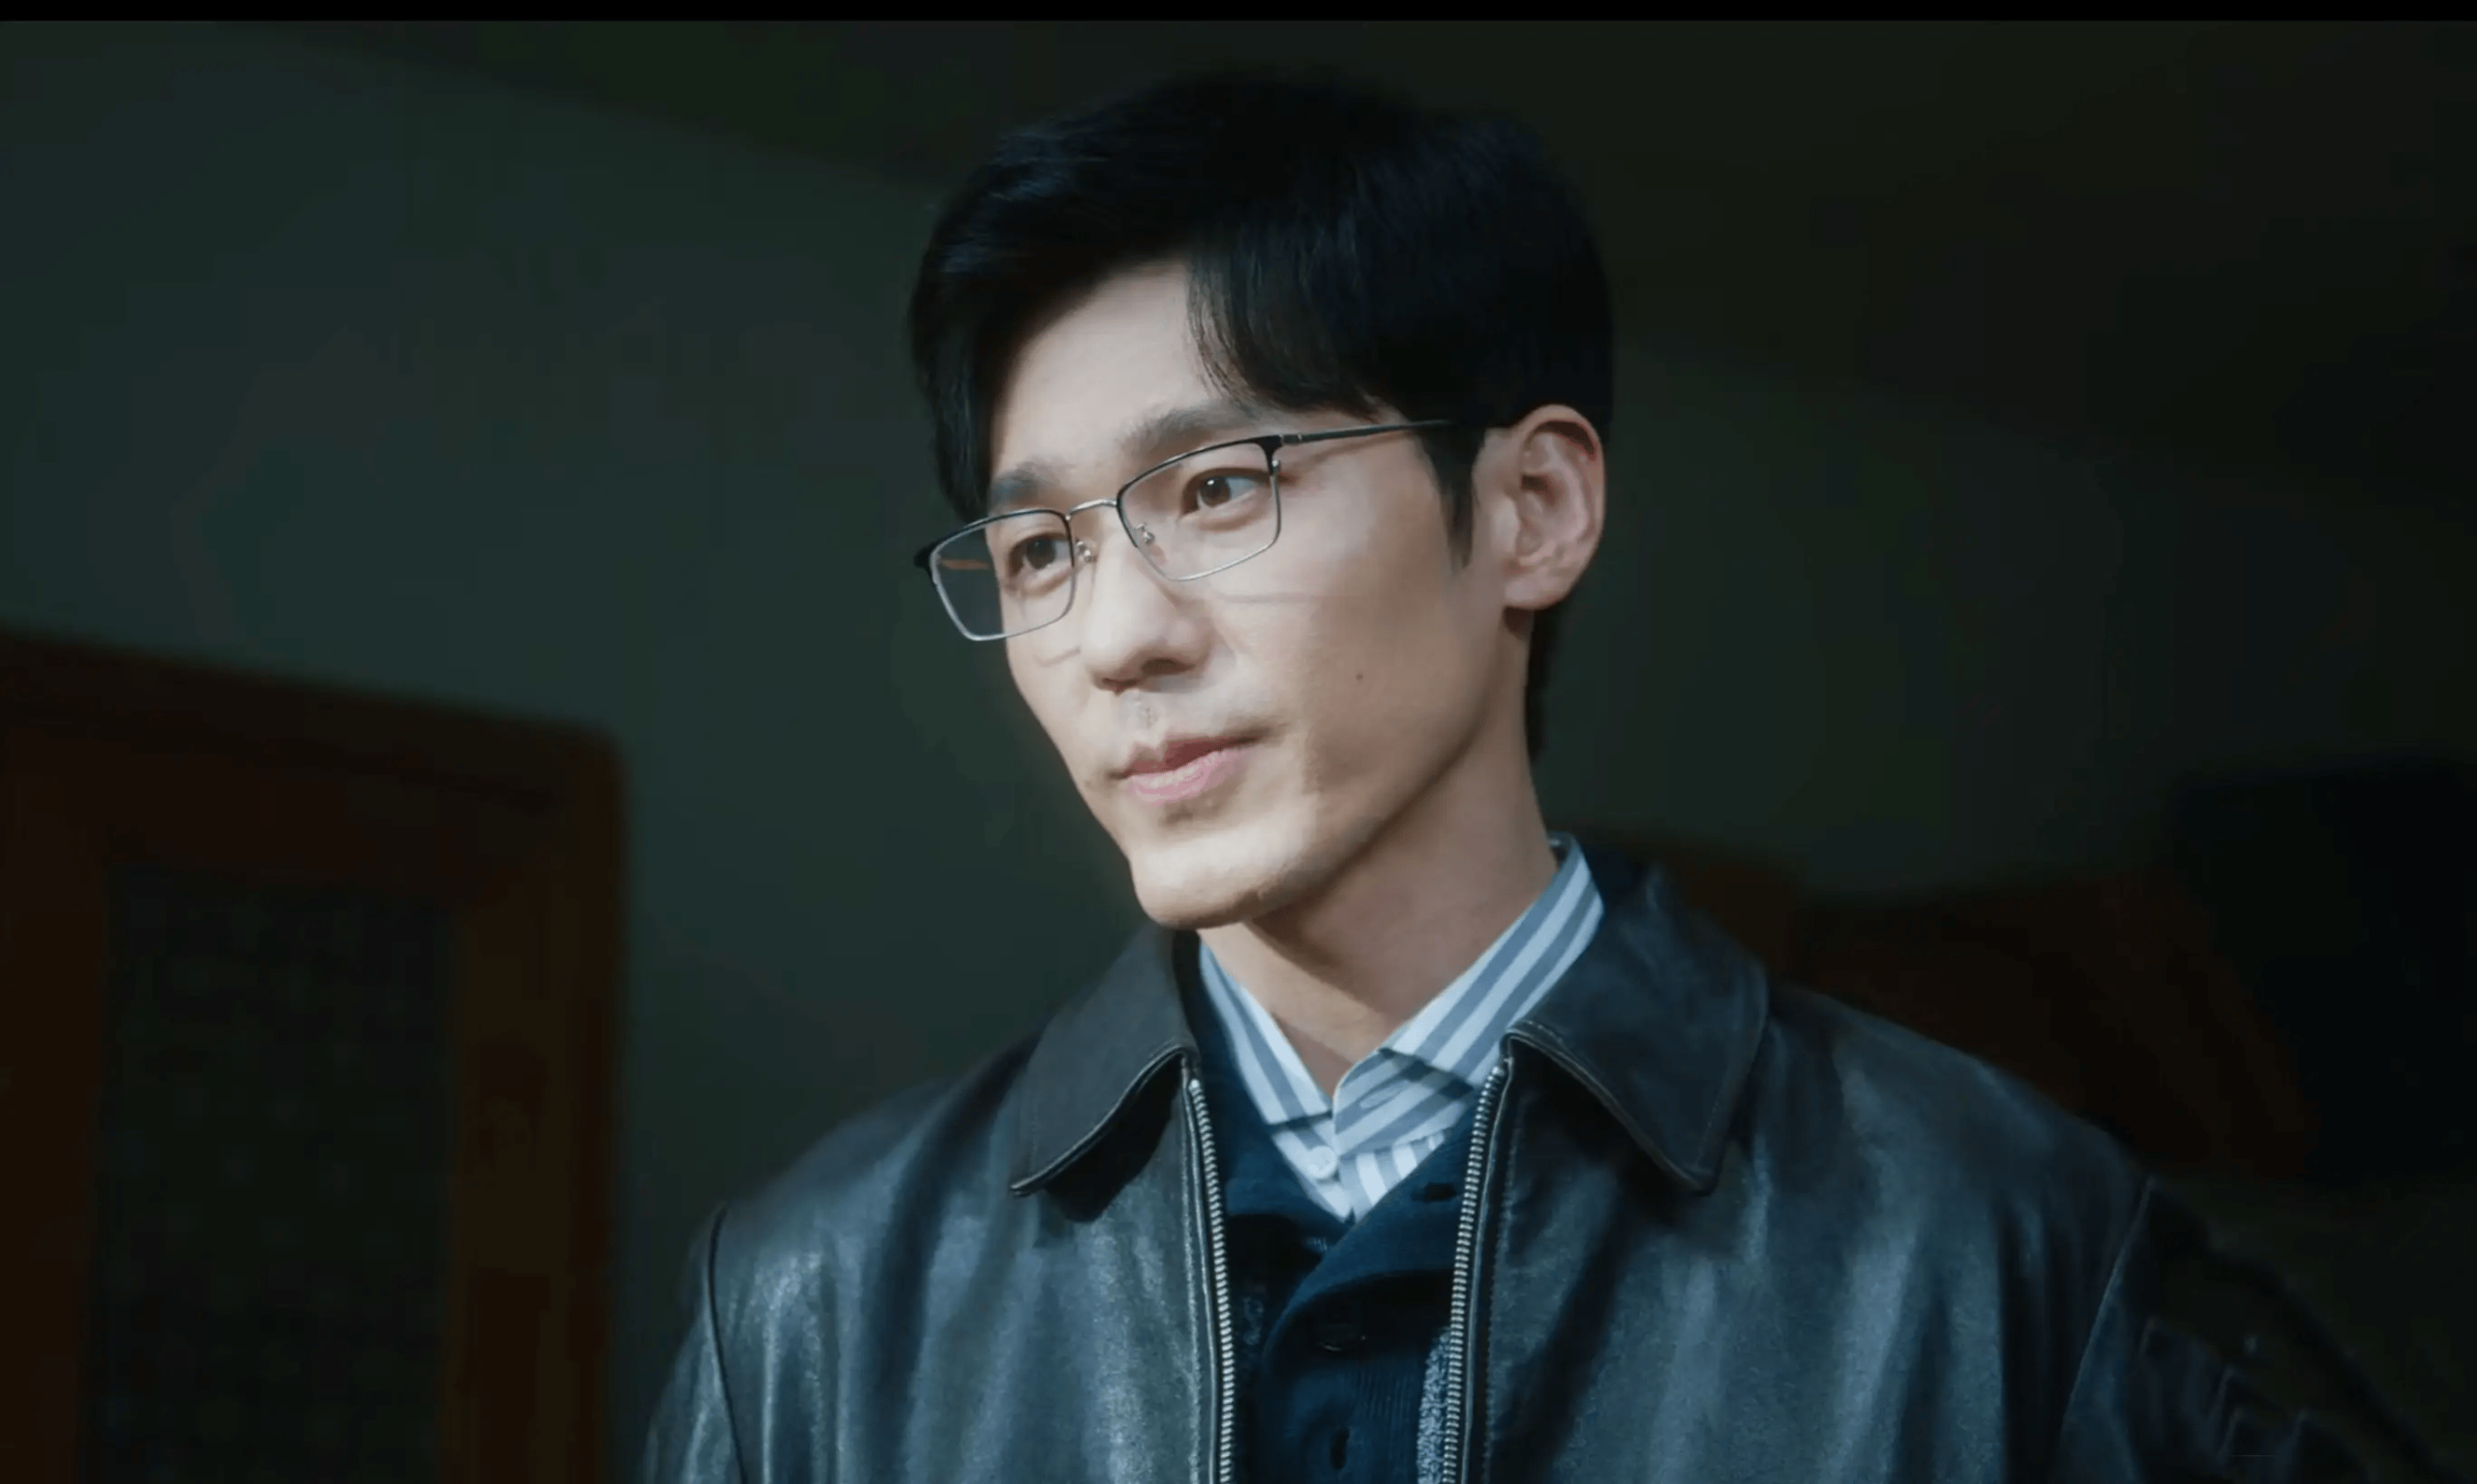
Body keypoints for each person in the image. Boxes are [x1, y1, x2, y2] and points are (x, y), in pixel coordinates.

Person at [641, 67, 2387, 1482]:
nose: (1114, 637)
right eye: (1040, 550)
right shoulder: (813, 1302)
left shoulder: (1996, 1244)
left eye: (1222, 487)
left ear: (1535, 509)